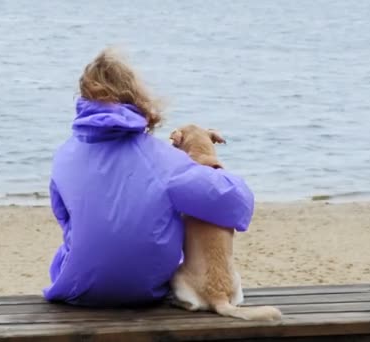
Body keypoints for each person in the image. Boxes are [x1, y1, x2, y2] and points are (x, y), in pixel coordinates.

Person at [43, 48, 254, 307]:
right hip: (144, 289)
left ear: (84, 100)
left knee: (71, 247)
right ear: (137, 99)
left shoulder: (64, 155)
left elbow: (64, 219)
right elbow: (234, 201)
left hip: (77, 288)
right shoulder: (163, 159)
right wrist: (210, 166)